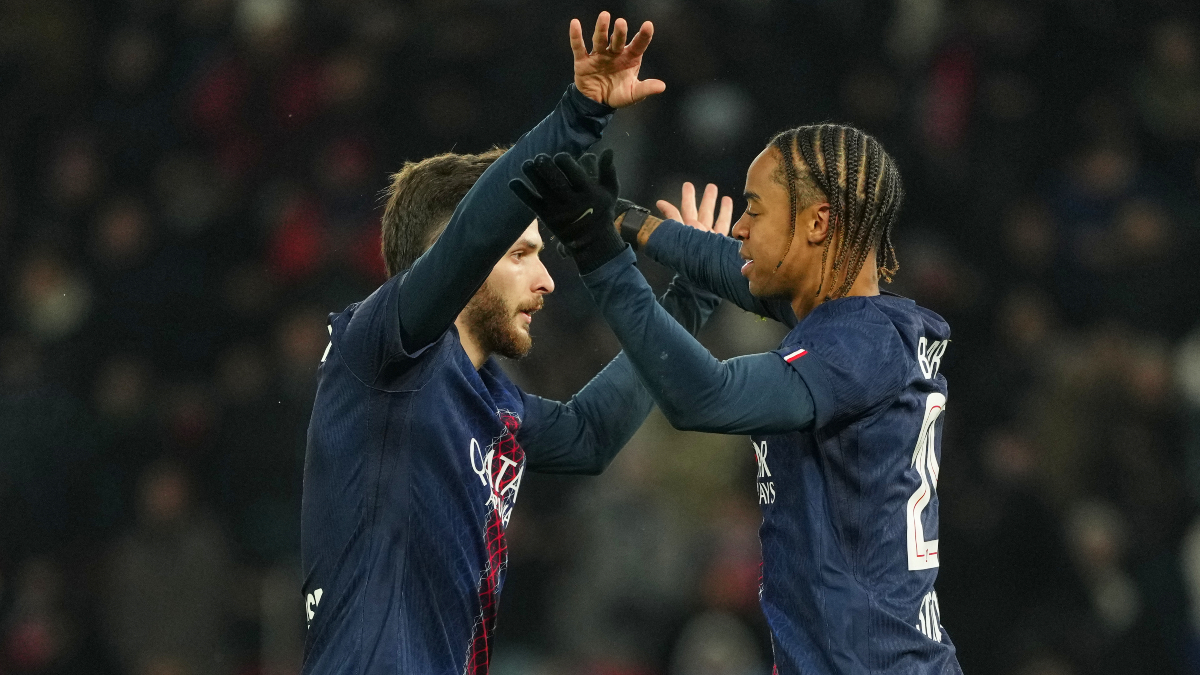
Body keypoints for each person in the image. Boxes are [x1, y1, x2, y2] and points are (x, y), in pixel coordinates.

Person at [300, 12, 719, 675]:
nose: (547, 280)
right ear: (456, 256)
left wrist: (689, 298)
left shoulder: (493, 401)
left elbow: (589, 437)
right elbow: (475, 232)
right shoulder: (378, 351)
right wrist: (579, 114)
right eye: (522, 254)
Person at [510, 125, 962, 674]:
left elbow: (707, 397)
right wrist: (624, 221)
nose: (741, 227)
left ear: (818, 222)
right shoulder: (866, 325)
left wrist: (600, 254)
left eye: (756, 210)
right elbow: (729, 266)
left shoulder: (856, 345)